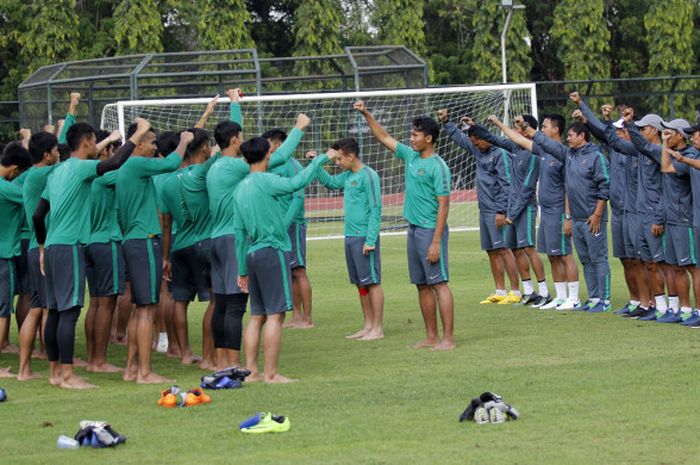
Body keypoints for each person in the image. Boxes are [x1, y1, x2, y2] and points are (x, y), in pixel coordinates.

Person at [207, 92, 310, 370]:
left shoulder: (214, 166)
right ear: (234, 141)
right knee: (238, 307)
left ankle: (218, 361)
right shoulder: (238, 168)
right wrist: (298, 129)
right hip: (233, 239)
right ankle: (232, 364)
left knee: (222, 303)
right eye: (239, 137)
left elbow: (231, 133)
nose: (242, 140)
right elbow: (283, 156)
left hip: (215, 238)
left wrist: (235, 103)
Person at [32, 121, 139, 389]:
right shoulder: (80, 168)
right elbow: (112, 165)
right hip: (69, 247)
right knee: (69, 312)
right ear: (88, 142)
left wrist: (43, 247)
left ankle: (55, 372)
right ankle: (68, 375)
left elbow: (38, 215)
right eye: (95, 142)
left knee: (55, 311)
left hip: (54, 246)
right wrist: (135, 137)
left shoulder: (57, 172)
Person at [234, 136, 334, 382]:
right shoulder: (268, 181)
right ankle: (271, 374)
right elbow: (298, 182)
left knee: (257, 315)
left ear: (245, 158)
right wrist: (323, 158)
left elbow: (239, 234)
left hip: (253, 253)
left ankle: (251, 371)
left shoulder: (239, 188)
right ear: (268, 155)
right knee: (275, 315)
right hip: (272, 250)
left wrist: (242, 269)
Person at [358, 100, 455, 350]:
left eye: (416, 134)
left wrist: (435, 241)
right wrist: (366, 113)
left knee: (439, 283)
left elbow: (444, 206)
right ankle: (431, 336)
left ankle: (448, 339)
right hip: (412, 230)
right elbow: (384, 137)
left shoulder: (439, 167)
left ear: (430, 138)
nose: (411, 138)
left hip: (430, 231)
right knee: (422, 285)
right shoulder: (410, 156)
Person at [116, 121, 192, 384]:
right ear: (137, 144)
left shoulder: (125, 168)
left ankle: (131, 369)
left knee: (141, 309)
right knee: (147, 308)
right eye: (151, 142)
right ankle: (145, 373)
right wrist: (184, 141)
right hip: (144, 241)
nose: (155, 147)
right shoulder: (136, 163)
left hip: (133, 240)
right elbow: (171, 164)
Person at [484, 113, 581, 309]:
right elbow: (518, 138)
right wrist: (498, 123)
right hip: (545, 211)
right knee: (552, 255)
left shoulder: (563, 153)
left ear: (555, 130)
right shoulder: (541, 151)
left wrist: (568, 216)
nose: (542, 130)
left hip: (558, 211)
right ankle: (560, 297)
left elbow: (568, 188)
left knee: (564, 255)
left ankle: (574, 298)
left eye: (545, 126)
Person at [571, 95, 649, 315]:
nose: (616, 133)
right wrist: (582, 107)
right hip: (618, 212)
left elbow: (601, 132)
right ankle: (635, 301)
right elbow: (601, 131)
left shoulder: (640, 152)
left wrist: (584, 110)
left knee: (641, 260)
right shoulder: (614, 150)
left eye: (620, 130)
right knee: (625, 259)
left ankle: (650, 302)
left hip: (636, 212)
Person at [438, 109, 521, 306]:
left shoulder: (500, 154)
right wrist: (447, 123)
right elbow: (461, 139)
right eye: (473, 141)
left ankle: (515, 291)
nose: (474, 144)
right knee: (491, 251)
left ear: (486, 139)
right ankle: (500, 290)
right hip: (484, 209)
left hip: (497, 210)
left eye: (476, 141)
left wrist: (502, 211)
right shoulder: (478, 149)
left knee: (504, 249)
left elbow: (507, 185)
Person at [531, 110, 611, 312]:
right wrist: (530, 131)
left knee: (598, 258)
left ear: (582, 136)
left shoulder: (596, 157)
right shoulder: (569, 155)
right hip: (577, 218)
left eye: (571, 136)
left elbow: (605, 188)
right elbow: (548, 144)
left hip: (593, 218)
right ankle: (593, 297)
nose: (568, 139)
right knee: (585, 259)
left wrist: (597, 214)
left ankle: (605, 300)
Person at [470, 114, 551, 307]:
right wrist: (481, 126)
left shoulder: (534, 154)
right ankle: (529, 292)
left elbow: (527, 188)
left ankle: (544, 293)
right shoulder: (515, 148)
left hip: (524, 208)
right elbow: (494, 138)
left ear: (527, 131)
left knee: (529, 249)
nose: (515, 131)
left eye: (519, 128)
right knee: (515, 250)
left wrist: (511, 214)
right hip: (511, 210)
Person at [316, 137, 385, 340]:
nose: (337, 163)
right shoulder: (347, 175)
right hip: (350, 237)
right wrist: (317, 164)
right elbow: (329, 183)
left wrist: (370, 239)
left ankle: (378, 328)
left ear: (350, 156)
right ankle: (368, 325)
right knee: (360, 284)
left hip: (365, 237)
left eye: (339, 159)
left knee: (372, 282)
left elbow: (375, 209)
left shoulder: (369, 176)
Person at [625, 109, 679, 319]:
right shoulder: (645, 151)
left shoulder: (658, 152)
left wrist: (658, 217)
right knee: (649, 263)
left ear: (655, 131)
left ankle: (675, 308)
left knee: (663, 265)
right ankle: (660, 306)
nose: (640, 131)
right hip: (641, 216)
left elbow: (665, 189)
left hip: (654, 217)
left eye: (643, 128)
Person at [17, 131, 60, 380]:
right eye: (55, 150)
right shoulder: (44, 173)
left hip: (35, 247)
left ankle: (28, 367)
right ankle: (27, 369)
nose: (59, 154)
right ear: (46, 155)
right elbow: (76, 164)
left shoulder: (32, 174)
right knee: (42, 310)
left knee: (39, 307)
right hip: (40, 248)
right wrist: (107, 142)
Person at [83, 129, 125, 373]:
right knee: (106, 304)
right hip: (105, 242)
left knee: (96, 303)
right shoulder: (106, 177)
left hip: (87, 242)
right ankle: (99, 360)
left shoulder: (83, 177)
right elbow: (127, 170)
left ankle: (92, 358)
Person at [265, 129, 314, 329]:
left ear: (278, 145)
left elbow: (297, 198)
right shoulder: (272, 166)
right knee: (288, 271)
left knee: (299, 270)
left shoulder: (293, 165)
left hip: (292, 225)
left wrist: (284, 225)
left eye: (269, 144)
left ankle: (308, 318)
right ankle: (296, 315)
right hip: (279, 227)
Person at [656, 118, 698, 323]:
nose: (666, 135)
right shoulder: (677, 155)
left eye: (669, 132)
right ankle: (686, 309)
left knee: (693, 268)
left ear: (680, 135)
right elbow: (665, 167)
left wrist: (666, 147)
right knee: (676, 267)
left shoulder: (688, 156)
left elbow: (667, 168)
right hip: (672, 219)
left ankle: (698, 312)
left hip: (684, 219)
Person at [0, 142, 32, 378]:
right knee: (2, 311)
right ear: (13, 169)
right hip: (3, 256)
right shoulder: (6, 188)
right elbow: (30, 197)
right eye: (19, 173)